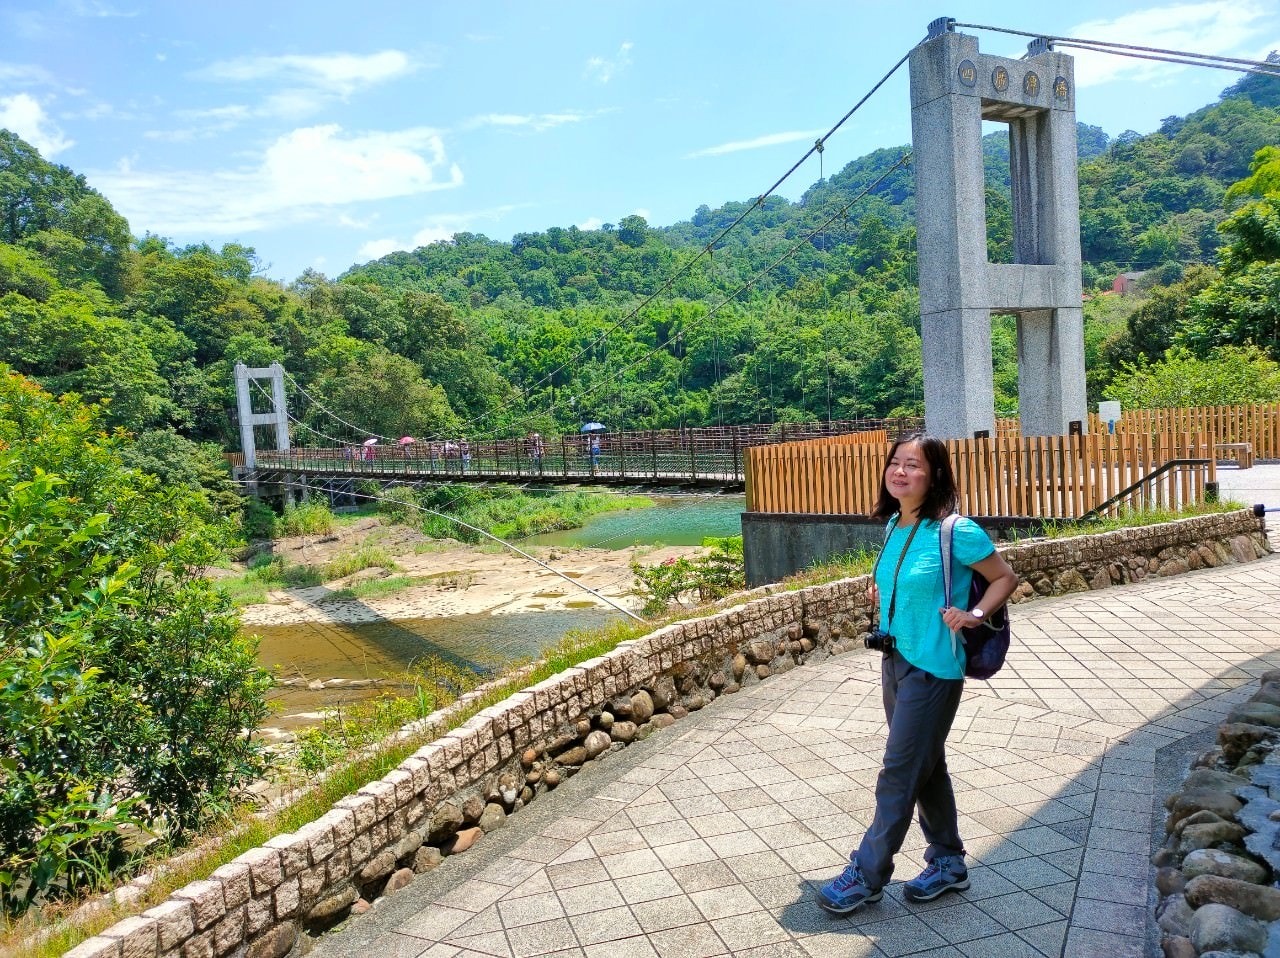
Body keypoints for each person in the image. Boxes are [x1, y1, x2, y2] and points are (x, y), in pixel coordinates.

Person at [817, 433, 1018, 914]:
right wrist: (883, 594)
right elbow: (897, 580)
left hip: (934, 668)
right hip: (895, 661)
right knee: (926, 766)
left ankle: (867, 875)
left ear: (935, 475)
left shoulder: (956, 531)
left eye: (913, 464)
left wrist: (972, 614)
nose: (900, 471)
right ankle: (949, 862)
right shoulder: (893, 524)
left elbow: (1005, 578)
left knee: (899, 771)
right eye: (895, 463)